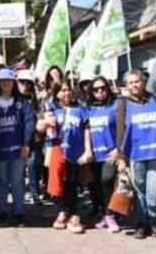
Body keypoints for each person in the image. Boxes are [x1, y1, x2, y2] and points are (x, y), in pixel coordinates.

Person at [114, 69, 156, 239]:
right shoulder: (123, 104)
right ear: (126, 86)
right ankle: (141, 223)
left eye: (137, 81)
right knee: (139, 191)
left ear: (143, 82)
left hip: (155, 153)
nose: (134, 85)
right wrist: (121, 157)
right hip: (135, 154)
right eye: (130, 82)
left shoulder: (155, 100)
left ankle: (153, 221)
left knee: (154, 189)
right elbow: (120, 132)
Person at [37, 80, 90, 233]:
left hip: (74, 151)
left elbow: (86, 129)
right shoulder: (51, 109)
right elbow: (39, 128)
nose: (66, 93)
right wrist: (46, 121)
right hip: (56, 150)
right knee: (57, 182)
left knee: (72, 184)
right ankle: (62, 211)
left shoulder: (80, 109)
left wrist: (87, 150)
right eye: (63, 90)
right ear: (57, 93)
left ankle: (73, 214)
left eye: (69, 90)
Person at [0, 69, 35, 227]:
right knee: (2, 182)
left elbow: (30, 122)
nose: (6, 83)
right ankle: (1, 212)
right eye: (2, 80)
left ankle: (19, 213)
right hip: (0, 151)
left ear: (13, 82)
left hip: (18, 149)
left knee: (17, 182)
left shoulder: (22, 102)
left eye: (9, 80)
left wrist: (26, 143)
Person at [86, 76, 121, 233]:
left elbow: (124, 129)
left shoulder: (116, 105)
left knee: (107, 181)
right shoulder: (88, 109)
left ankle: (110, 216)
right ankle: (105, 214)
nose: (100, 92)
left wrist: (118, 149)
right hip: (94, 155)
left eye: (103, 88)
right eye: (96, 89)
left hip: (110, 154)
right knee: (97, 186)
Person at [17, 70, 44, 205]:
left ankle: (34, 193)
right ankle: (20, 194)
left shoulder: (35, 101)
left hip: (33, 138)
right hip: (16, 138)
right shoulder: (13, 99)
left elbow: (39, 117)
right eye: (22, 82)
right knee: (19, 168)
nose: (25, 85)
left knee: (32, 165)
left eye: (28, 83)